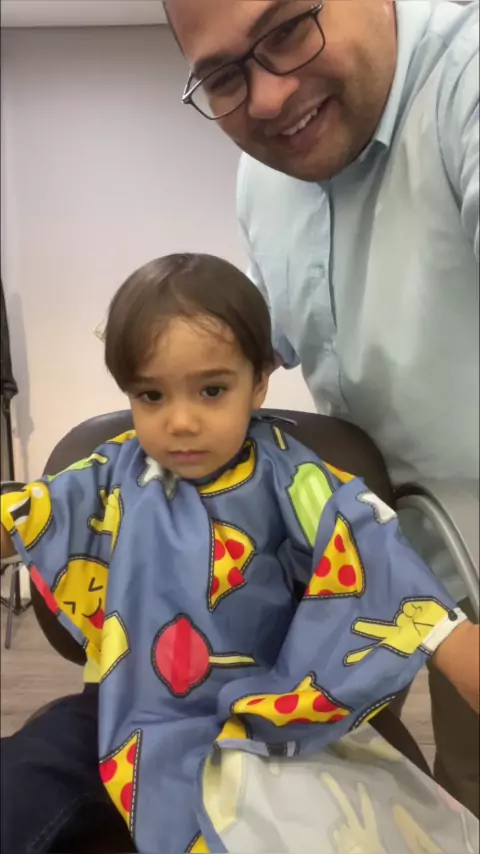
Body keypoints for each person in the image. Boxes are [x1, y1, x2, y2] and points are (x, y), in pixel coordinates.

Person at [1, 254, 479, 854]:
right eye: (151, 395)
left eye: (211, 390)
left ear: (258, 382)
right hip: (122, 706)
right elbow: (29, 511)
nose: (180, 421)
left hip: (266, 710)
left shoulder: (296, 480)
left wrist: (457, 646)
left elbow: (377, 557)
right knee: (21, 781)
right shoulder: (112, 473)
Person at [164, 0, 480, 815]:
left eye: (287, 31)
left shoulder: (466, 80)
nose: (268, 98)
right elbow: (256, 346)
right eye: (223, 76)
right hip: (396, 566)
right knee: (450, 789)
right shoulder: (265, 177)